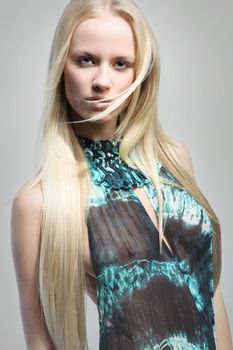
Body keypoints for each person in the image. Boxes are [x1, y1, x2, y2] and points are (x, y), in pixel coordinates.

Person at [11, 0, 232, 349]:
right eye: (85, 60)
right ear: (61, 67)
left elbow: (208, 287)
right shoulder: (38, 202)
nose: (102, 81)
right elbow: (40, 340)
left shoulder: (175, 159)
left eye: (120, 64)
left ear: (139, 73)